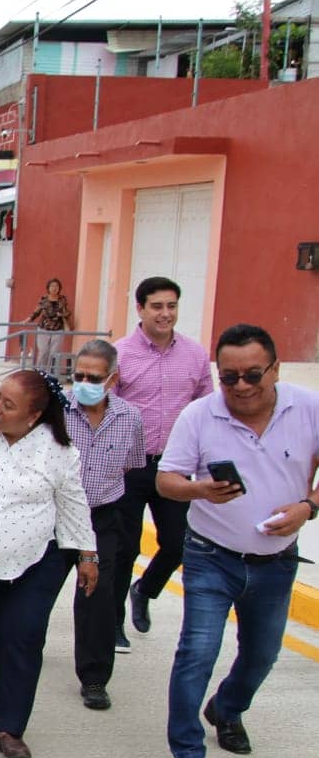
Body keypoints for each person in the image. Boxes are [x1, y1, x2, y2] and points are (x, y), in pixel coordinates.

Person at [156, 324, 319, 758]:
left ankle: (226, 709)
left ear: (275, 368)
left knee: (262, 654)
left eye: (252, 374)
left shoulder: (307, 406)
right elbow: (168, 481)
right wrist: (199, 489)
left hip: (276, 561)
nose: (242, 386)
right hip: (211, 556)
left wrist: (308, 506)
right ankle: (188, 754)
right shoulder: (199, 415)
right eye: (229, 377)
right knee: (197, 654)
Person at [0, 370, 97, 758]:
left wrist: (87, 555)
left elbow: (73, 502)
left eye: (7, 405)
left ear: (33, 417)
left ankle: (11, 728)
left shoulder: (58, 451)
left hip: (34, 562)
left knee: (23, 636)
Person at [114, 276, 213, 645]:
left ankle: (145, 590)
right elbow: (104, 410)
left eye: (171, 306)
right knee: (124, 548)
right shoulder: (120, 354)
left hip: (173, 467)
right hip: (128, 466)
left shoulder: (195, 355)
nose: (165, 313)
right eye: (157, 306)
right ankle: (113, 623)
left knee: (177, 544)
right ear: (140, 309)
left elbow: (207, 410)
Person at [62, 340, 145, 711]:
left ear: (113, 379)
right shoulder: (57, 409)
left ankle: (94, 678)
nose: (84, 383)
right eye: (78, 375)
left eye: (93, 377)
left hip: (102, 517)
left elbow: (131, 462)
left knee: (98, 594)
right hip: (56, 514)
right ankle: (26, 647)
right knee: (35, 588)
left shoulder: (130, 418)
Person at [28, 278, 74, 374]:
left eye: (56, 286)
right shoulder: (44, 299)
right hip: (44, 328)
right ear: (48, 288)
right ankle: (39, 372)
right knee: (43, 351)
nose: (54, 288)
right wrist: (27, 320)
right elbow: (37, 311)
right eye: (52, 286)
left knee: (54, 353)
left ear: (59, 288)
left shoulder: (62, 299)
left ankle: (49, 374)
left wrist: (62, 315)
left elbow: (67, 312)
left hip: (58, 329)